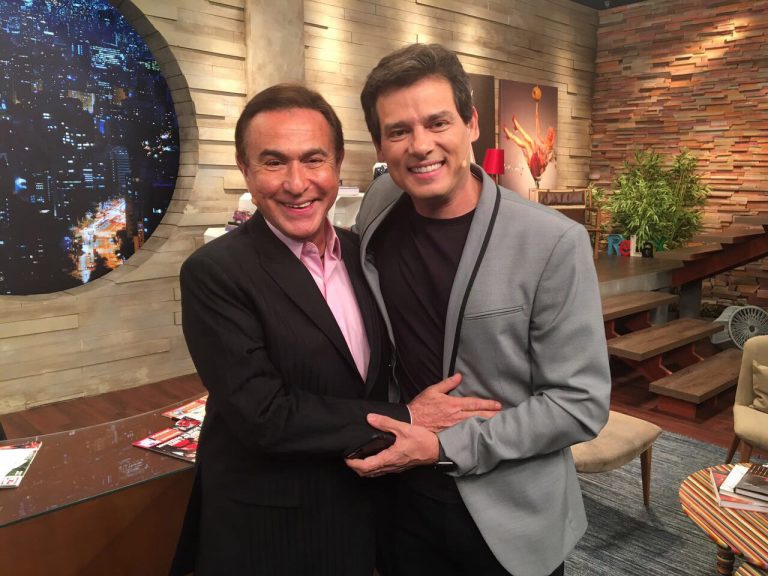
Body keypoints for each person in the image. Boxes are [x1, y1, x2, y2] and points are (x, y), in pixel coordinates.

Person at [172, 83, 500, 576]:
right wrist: (408, 415)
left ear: (338, 164)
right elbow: (264, 414)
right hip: (271, 525)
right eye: (274, 162)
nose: (296, 183)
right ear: (245, 169)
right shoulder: (215, 272)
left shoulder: (363, 252)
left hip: (366, 507)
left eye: (313, 159)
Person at [348, 44, 612, 576]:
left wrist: (442, 445)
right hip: (399, 499)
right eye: (399, 131)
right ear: (379, 144)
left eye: (437, 122)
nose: (420, 146)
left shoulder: (551, 242)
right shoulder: (378, 206)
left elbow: (579, 403)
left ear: (471, 123)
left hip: (508, 514)